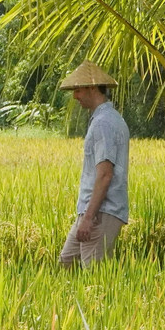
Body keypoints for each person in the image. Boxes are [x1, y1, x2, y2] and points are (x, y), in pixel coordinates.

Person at [58, 60, 129, 268]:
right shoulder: (106, 119)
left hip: (101, 211)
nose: (75, 96)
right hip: (92, 209)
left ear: (91, 87)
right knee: (67, 263)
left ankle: (97, 302)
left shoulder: (104, 123)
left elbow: (105, 174)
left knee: (92, 272)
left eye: (78, 90)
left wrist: (89, 218)